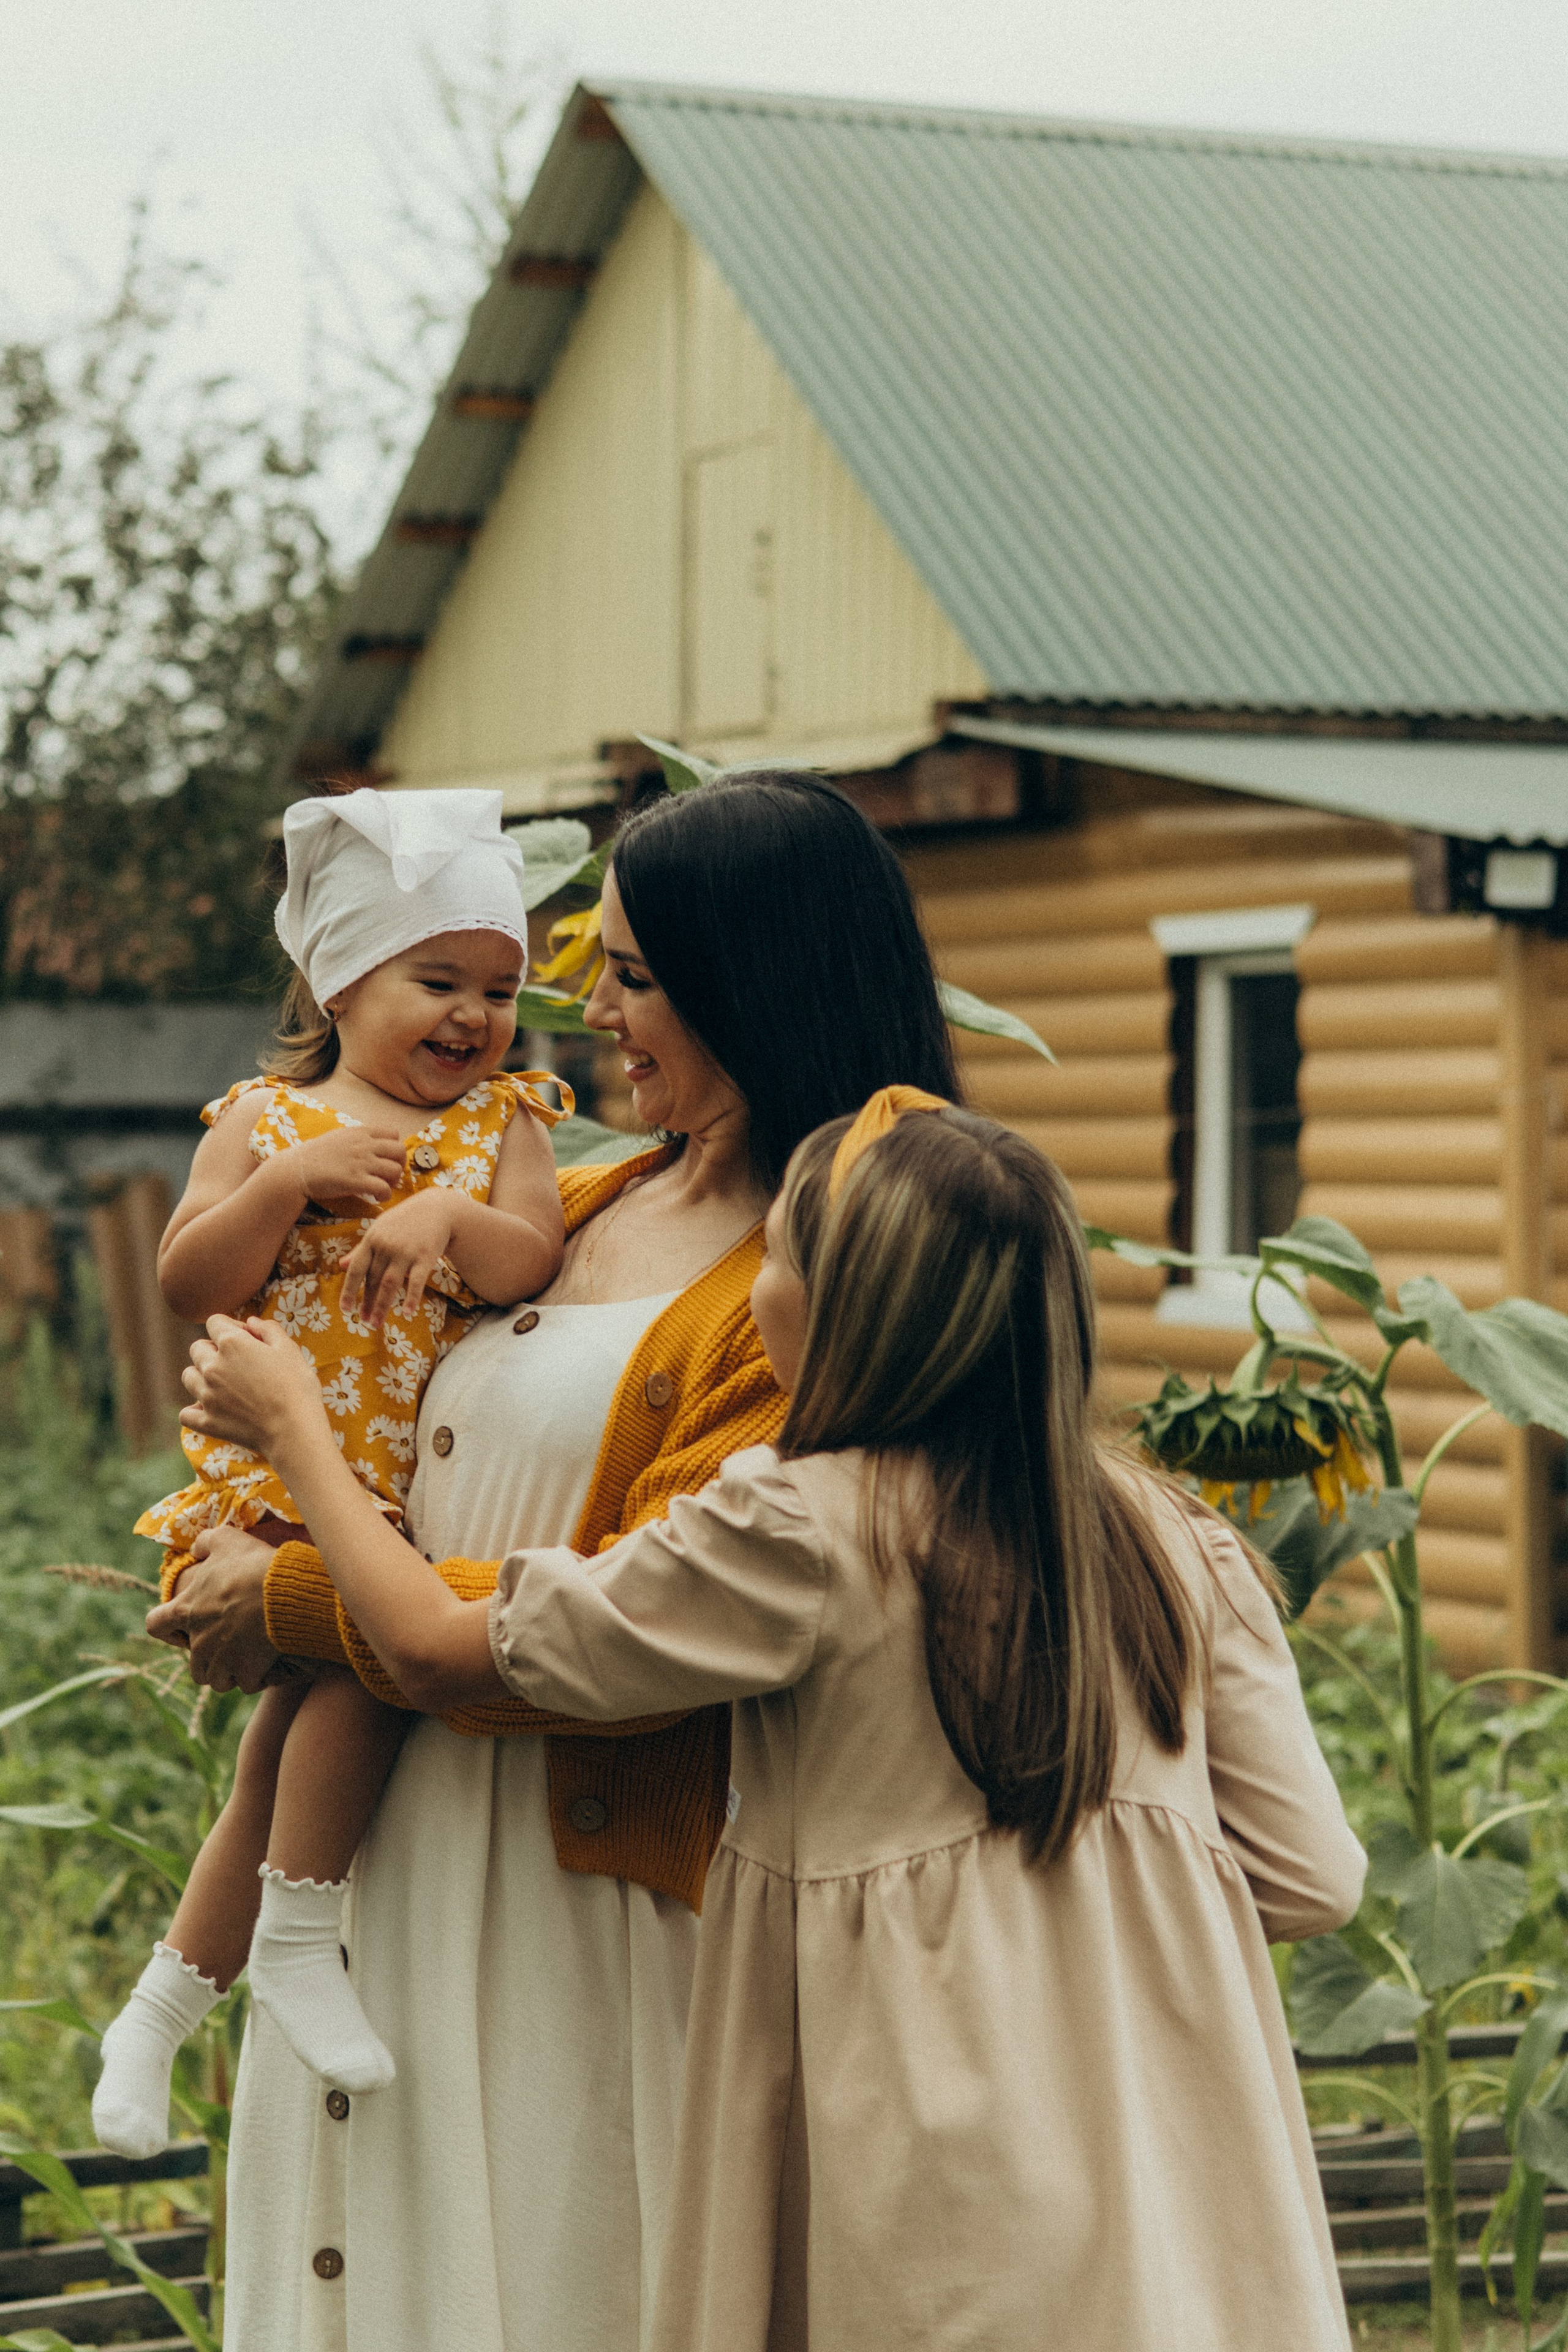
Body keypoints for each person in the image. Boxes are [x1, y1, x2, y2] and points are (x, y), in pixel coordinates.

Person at [179, 1085, 1366, 2352]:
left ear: (846, 1312)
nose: (750, 1288)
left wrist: (298, 1433)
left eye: (778, 1255)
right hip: (1170, 2166)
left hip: (921, 2137)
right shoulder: (1175, 1536)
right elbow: (1310, 1878)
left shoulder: (794, 1532)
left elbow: (434, 1649)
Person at [148, 772, 962, 2352]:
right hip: (390, 1842)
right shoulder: (582, 1193)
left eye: (635, 974)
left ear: (755, 978)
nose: (583, 1008)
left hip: (582, 1886)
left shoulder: (814, 1268)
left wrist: (298, 1591)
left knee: (551, 2272)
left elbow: (651, 1601)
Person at [94, 788, 567, 2158]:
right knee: (346, 1706)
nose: (474, 1016)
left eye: (498, 987)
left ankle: (167, 2003)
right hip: (267, 1490)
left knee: (280, 1758)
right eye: (438, 980)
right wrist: (284, 1189)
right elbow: (192, 1276)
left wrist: (443, 1211)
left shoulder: (503, 1127)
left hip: (396, 1507)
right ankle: (292, 1937)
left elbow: (528, 1257)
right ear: (343, 978)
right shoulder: (263, 1118)